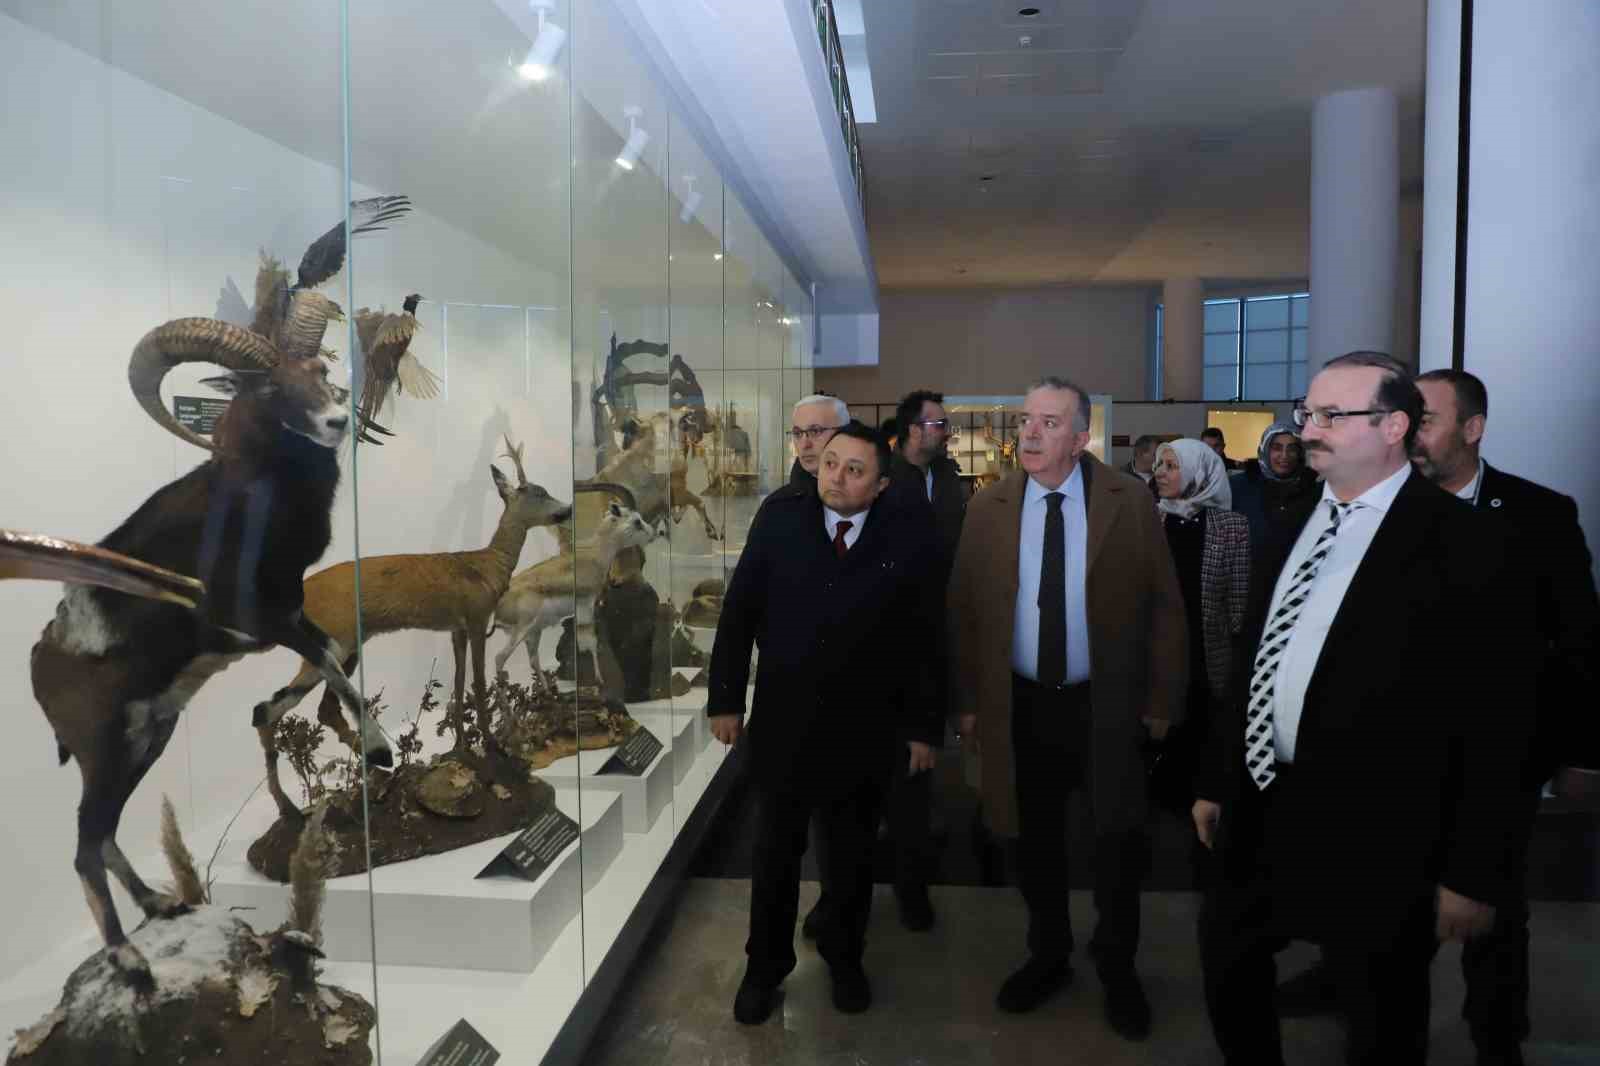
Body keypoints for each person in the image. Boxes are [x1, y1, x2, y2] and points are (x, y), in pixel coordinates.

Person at [1192, 352, 1530, 1066]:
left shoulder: (1467, 542)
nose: (1307, 429)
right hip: (1261, 802)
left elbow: (1498, 722)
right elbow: (1259, 659)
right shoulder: (1290, 521)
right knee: (1227, 961)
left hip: (1385, 827)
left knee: (1380, 1007)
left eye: (1329, 416)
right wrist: (1221, 776)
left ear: (1393, 426)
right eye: (1306, 413)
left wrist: (1474, 873)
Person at [946, 376, 1187, 1039]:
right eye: (1026, 419)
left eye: (1050, 423)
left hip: (1104, 704)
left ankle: (1118, 966)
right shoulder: (988, 507)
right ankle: (1048, 953)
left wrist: (1163, 700)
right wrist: (966, 702)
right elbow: (963, 612)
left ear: (1083, 436)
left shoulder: (1128, 502)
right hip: (1020, 705)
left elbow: (1165, 607)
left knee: (1116, 842)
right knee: (1032, 839)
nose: (1029, 432)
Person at [707, 422, 942, 1025]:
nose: (834, 477)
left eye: (852, 469)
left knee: (851, 858)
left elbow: (924, 639)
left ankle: (844, 958)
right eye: (828, 462)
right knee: (774, 854)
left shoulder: (906, 535)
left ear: (881, 484)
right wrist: (726, 700)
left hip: (865, 732)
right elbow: (739, 612)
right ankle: (765, 969)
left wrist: (922, 727)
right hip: (784, 726)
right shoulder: (781, 519)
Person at [1413, 369, 1597, 1064]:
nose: (1412, 437)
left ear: (1472, 427)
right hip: (1400, 753)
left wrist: (1582, 752)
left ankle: (1497, 1036)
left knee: (1495, 910)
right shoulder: (1380, 511)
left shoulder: (1539, 514)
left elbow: (1580, 638)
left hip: (1501, 757)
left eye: (1425, 419)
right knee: (1393, 905)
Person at [1148, 440, 1249, 814]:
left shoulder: (1232, 526)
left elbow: (1238, 602)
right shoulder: (1148, 521)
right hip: (1159, 653)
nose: (1160, 472)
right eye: (1159, 465)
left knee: (1203, 737)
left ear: (1198, 472)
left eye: (1171, 466)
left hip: (1210, 656)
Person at [1228, 422, 1320, 552]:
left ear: (1300, 453)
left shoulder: (1313, 490)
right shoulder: (1238, 487)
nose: (1284, 455)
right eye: (1277, 448)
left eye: (1292, 449)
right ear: (1265, 450)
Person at [789, 394, 849, 486]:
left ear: (843, 433)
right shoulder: (781, 498)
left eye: (815, 431)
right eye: (798, 433)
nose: (804, 445)